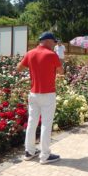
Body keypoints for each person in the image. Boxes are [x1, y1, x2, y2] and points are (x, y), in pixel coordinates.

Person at [17, 32, 64, 164]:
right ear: (48, 41)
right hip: (48, 94)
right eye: (54, 42)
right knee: (46, 124)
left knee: (32, 122)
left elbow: (19, 68)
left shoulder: (30, 53)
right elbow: (61, 71)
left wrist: (33, 70)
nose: (54, 45)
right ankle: (45, 155)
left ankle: (29, 151)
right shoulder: (51, 55)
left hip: (33, 94)